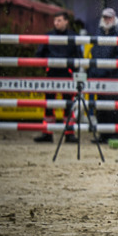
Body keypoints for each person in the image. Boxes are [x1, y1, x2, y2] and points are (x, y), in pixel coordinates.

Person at [33, 12, 80, 142]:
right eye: (55, 21)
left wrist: (72, 70)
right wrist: (46, 67)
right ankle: (47, 133)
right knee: (48, 105)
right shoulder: (48, 36)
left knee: (69, 105)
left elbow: (78, 56)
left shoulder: (73, 37)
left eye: (59, 20)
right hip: (51, 74)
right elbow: (39, 54)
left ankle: (69, 134)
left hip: (67, 74)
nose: (56, 23)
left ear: (66, 22)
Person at [88, 7, 118, 141]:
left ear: (114, 18)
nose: (107, 20)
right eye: (105, 17)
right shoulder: (99, 32)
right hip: (99, 74)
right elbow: (95, 52)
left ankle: (115, 134)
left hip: (112, 75)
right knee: (101, 105)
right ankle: (103, 134)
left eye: (109, 17)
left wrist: (108, 68)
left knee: (113, 105)